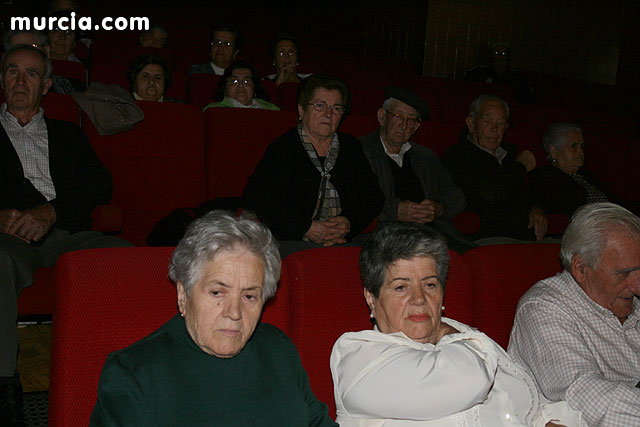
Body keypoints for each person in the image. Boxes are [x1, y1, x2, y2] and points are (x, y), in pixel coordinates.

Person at [90, 210, 337, 426]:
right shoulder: (134, 374)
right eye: (217, 292)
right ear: (184, 294)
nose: (234, 312)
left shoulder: (278, 350)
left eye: (249, 296)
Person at [330, 222, 584, 426]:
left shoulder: (463, 335)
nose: (419, 299)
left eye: (430, 284)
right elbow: (467, 380)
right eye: (401, 287)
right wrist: (442, 330)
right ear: (371, 298)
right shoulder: (358, 358)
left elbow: (530, 403)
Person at [0, 45, 129, 425]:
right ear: (1, 79)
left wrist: (51, 211)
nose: (21, 81)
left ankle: (116, 378)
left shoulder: (67, 133)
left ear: (47, 85)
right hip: (9, 240)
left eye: (31, 74)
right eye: (12, 71)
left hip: (66, 233)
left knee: (122, 255)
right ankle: (5, 388)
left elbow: (99, 185)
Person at [509, 202, 640, 427]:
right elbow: (583, 393)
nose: (638, 286)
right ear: (580, 268)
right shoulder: (543, 307)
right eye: (624, 273)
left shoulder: (629, 301)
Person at [243, 74, 383, 258]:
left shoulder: (351, 147)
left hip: (344, 240)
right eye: (320, 106)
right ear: (301, 110)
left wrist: (348, 223)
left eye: (336, 108)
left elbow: (373, 197)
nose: (328, 114)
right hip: (292, 241)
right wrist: (305, 228)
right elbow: (256, 197)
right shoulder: (284, 147)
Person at [359, 86, 473, 253]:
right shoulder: (359, 151)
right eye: (398, 116)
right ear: (382, 117)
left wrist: (438, 208)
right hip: (385, 238)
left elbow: (456, 195)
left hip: (432, 236)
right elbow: (355, 198)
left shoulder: (426, 157)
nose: (404, 125)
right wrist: (395, 211)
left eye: (411, 120)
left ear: (416, 127)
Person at [442, 94, 548, 243]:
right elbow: (489, 194)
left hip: (526, 236)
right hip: (489, 237)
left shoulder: (509, 154)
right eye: (487, 121)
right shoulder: (457, 156)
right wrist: (520, 166)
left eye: (500, 123)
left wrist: (536, 207)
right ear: (471, 124)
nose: (495, 129)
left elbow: (529, 191)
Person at [528, 123, 627, 217]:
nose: (581, 153)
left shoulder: (589, 177)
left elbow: (617, 203)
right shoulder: (545, 177)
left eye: (582, 146)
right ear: (554, 151)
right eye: (573, 146)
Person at [3, 29, 86, 94]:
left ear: (47, 51)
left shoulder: (73, 89)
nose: (24, 56)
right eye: (16, 51)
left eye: (31, 48)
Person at [464, 41, 533, 103]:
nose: (500, 57)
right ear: (491, 55)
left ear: (508, 57)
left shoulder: (518, 77)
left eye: (504, 53)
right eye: (497, 53)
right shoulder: (477, 72)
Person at [203, 60, 279, 111]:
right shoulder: (214, 110)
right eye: (235, 81)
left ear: (254, 87)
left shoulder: (271, 109)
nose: (241, 85)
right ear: (224, 87)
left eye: (246, 81)